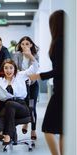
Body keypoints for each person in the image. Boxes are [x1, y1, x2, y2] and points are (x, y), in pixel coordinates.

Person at [0, 49, 38, 145]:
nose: (8, 70)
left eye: (11, 68)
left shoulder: (21, 75)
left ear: (14, 69)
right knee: (7, 108)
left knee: (9, 104)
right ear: (3, 70)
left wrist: (31, 56)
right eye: (6, 68)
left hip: (22, 107)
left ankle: (7, 134)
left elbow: (35, 68)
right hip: (6, 108)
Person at [29, 10, 64, 155]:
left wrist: (38, 76)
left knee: (47, 127)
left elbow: (60, 70)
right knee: (63, 129)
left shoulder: (59, 42)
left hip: (61, 91)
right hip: (66, 90)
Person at [13, 36, 39, 140]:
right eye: (22, 44)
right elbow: (15, 68)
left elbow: (36, 69)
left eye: (27, 44)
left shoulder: (35, 55)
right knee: (23, 106)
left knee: (32, 107)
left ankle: (33, 130)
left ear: (31, 45)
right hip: (21, 84)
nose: (24, 46)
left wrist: (30, 79)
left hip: (33, 85)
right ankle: (25, 123)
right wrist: (22, 78)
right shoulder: (17, 55)